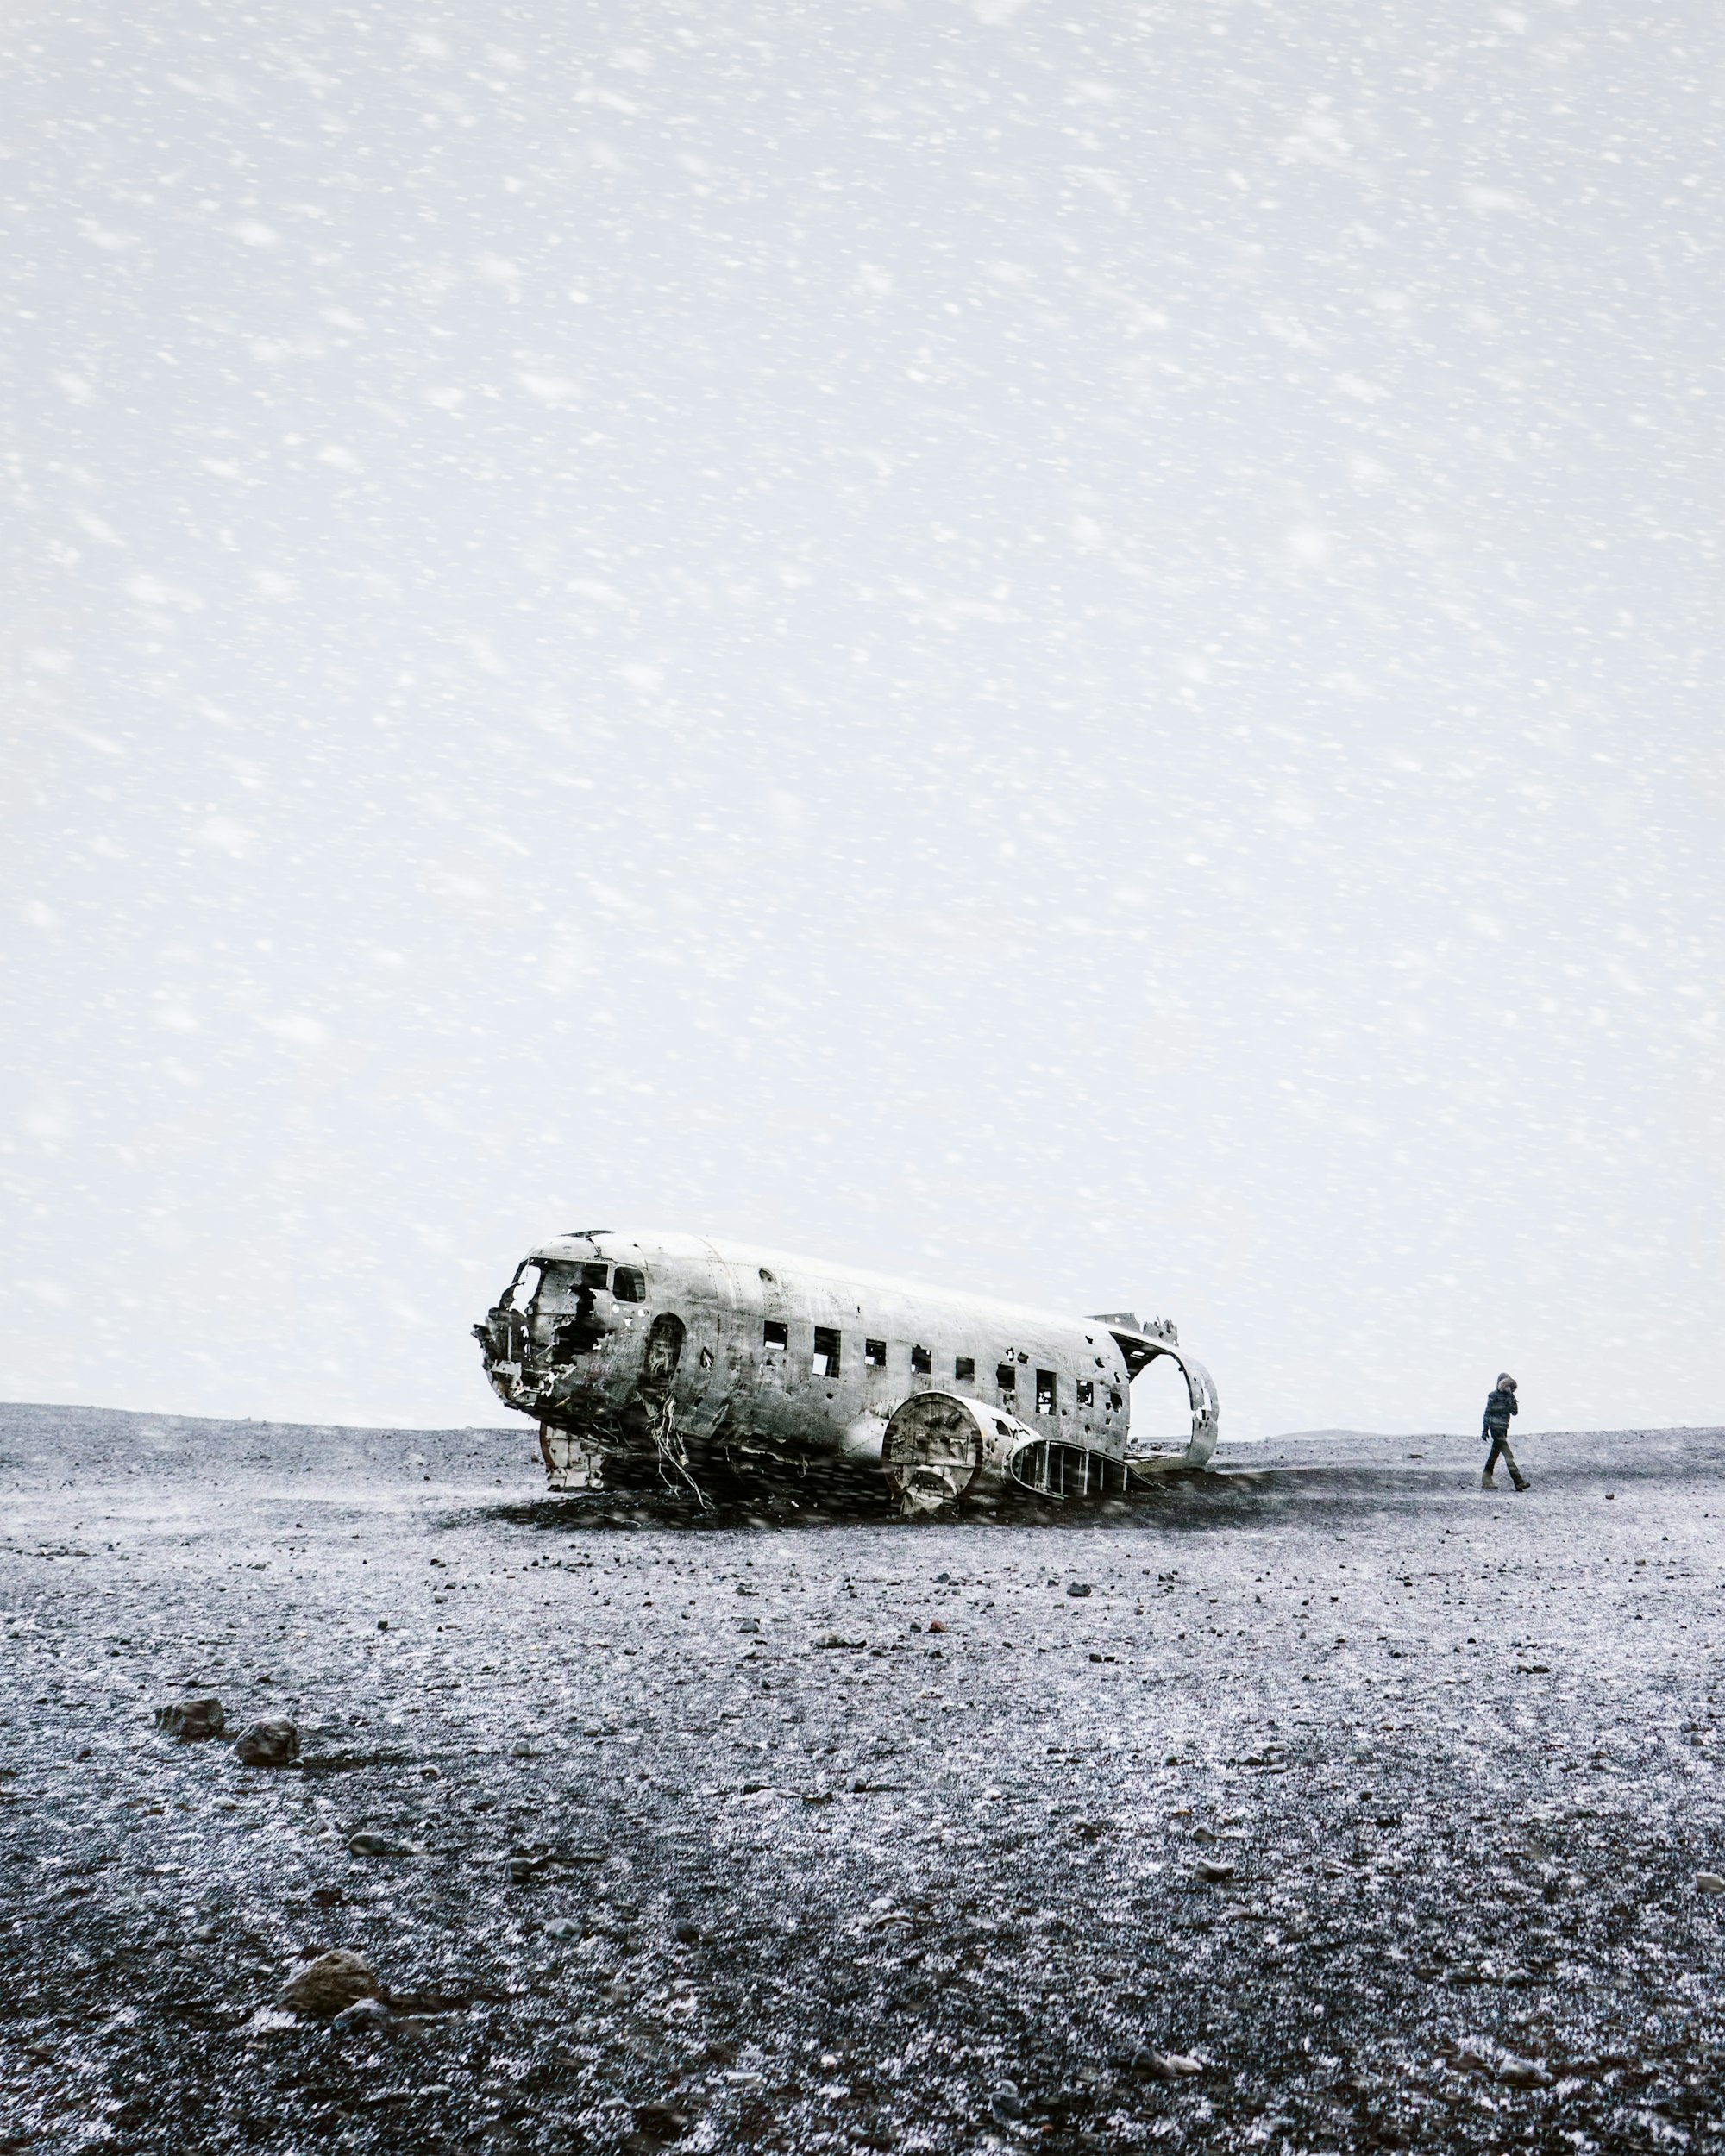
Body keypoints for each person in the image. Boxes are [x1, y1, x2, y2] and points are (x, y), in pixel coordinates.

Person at [1480, 1373, 1527, 1490]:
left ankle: (1486, 1479)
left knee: (1494, 1455)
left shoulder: (1510, 1397)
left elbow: (1514, 1413)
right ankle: (1518, 1482)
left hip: (1504, 1429)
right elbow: (1488, 1413)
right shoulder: (1493, 1396)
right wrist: (1485, 1430)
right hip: (1495, 1429)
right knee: (1508, 1455)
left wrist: (1511, 1399)